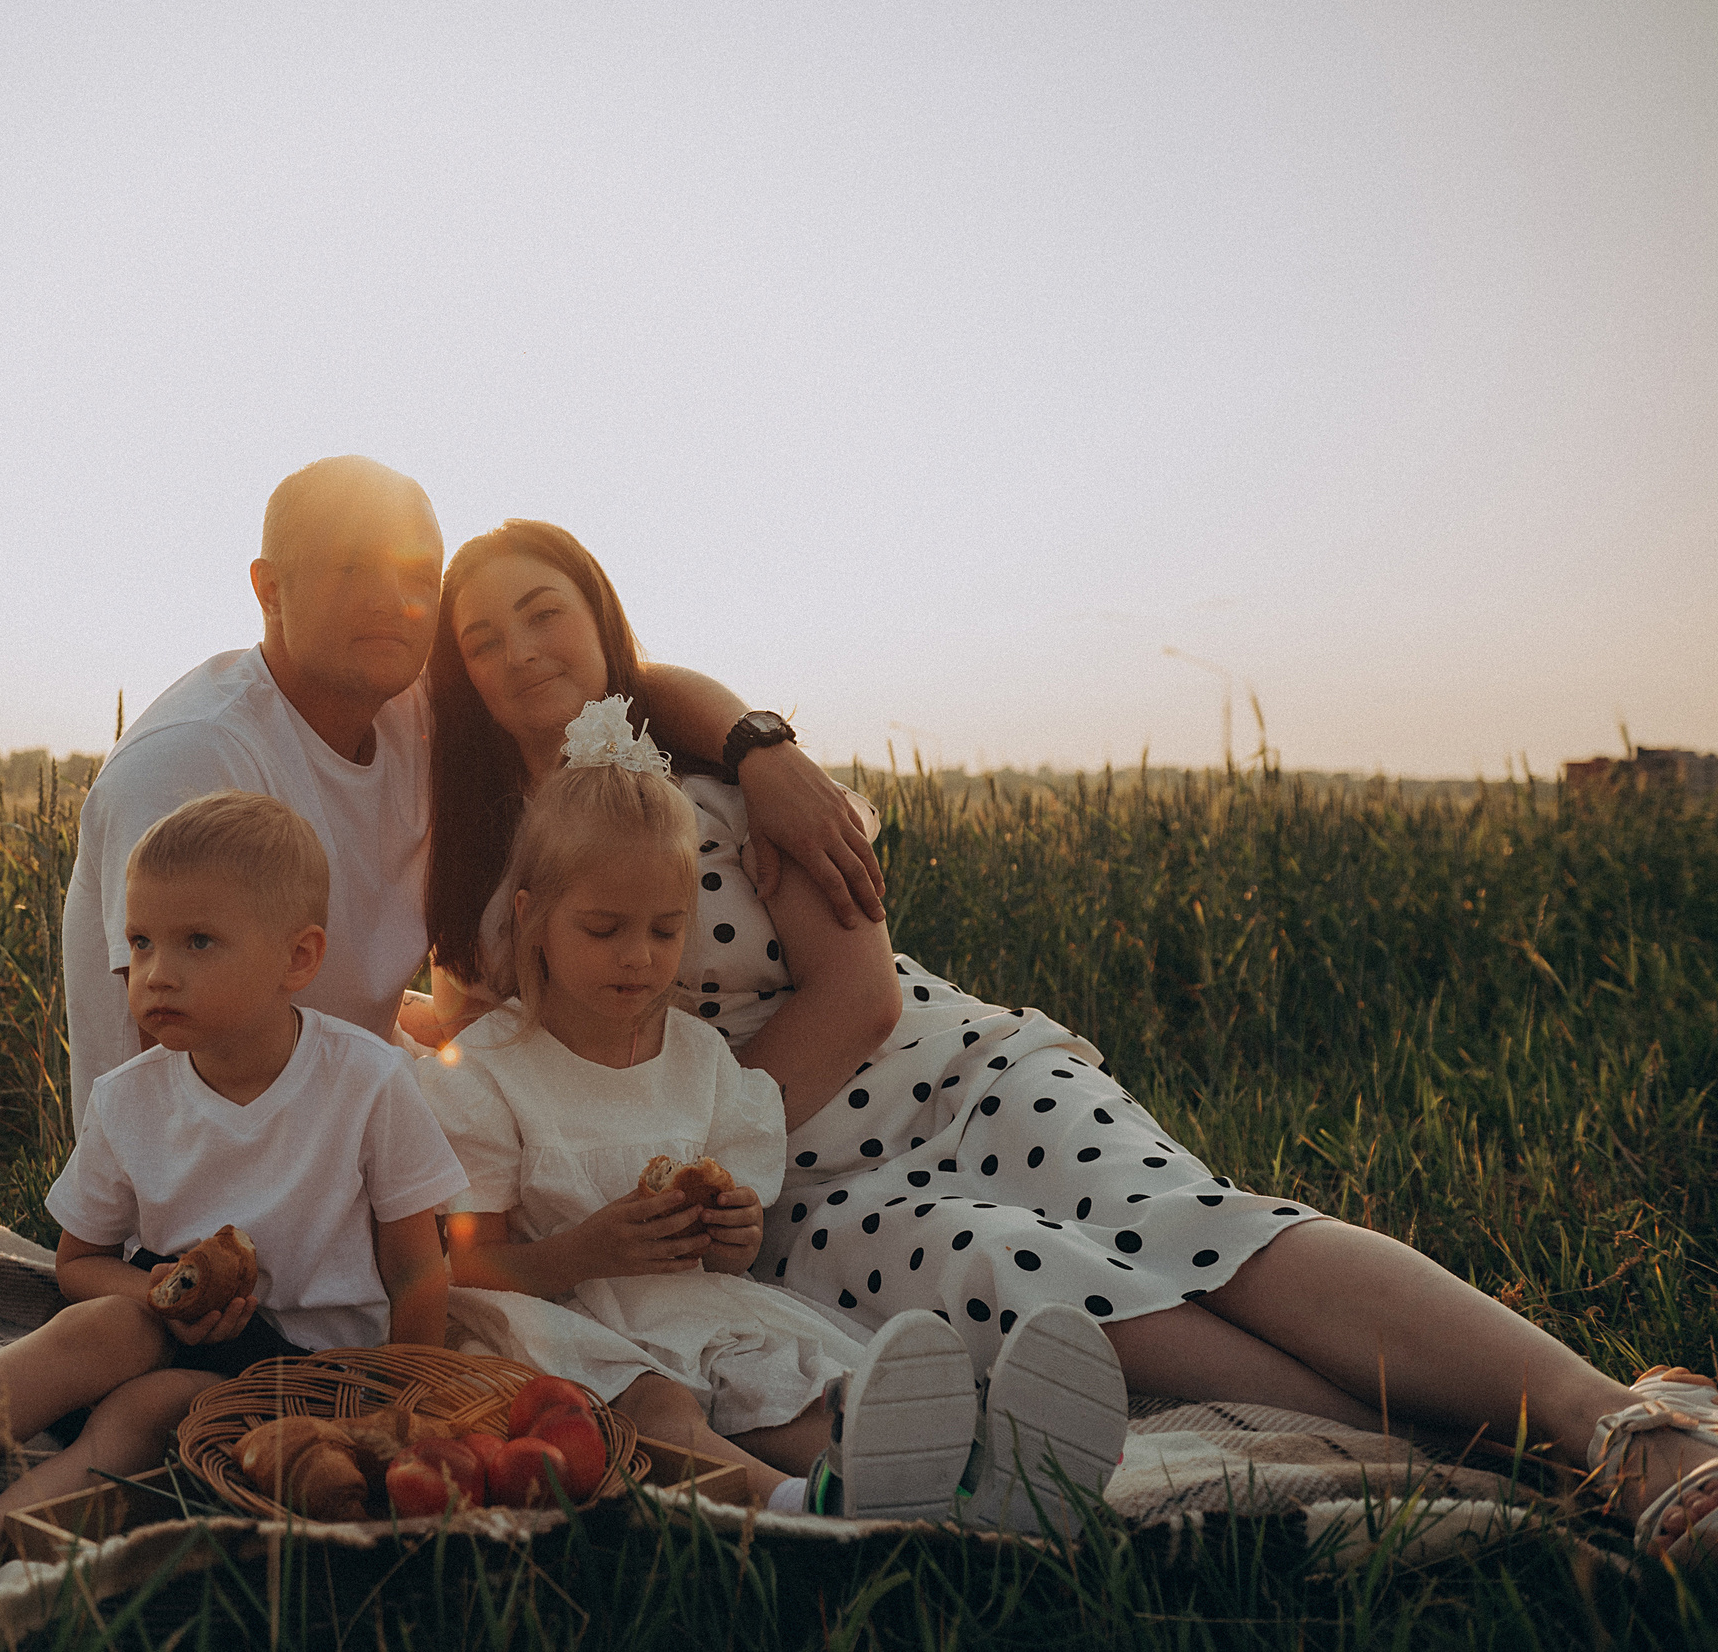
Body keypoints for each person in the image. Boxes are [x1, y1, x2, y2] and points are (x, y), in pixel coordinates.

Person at [424, 518, 1718, 1564]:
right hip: (794, 1194)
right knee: (1023, 1269)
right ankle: (1494, 1447)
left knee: (1186, 1224)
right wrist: (687, 1163)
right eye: (483, 637)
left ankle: (1614, 1419)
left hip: (940, 1073)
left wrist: (694, 1123)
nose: (522, 648)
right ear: (465, 681)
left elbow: (861, 993)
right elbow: (503, 1056)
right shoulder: (493, 869)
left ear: (601, 615)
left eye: (545, 609)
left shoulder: (732, 782)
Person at [0, 791, 466, 1598]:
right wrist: (153, 1290)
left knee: (153, 1404)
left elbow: (416, 1269)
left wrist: (391, 1410)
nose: (158, 972)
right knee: (107, 1320)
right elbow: (79, 1261)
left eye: (198, 941)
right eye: (141, 942)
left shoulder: (366, 1083)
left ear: (298, 957)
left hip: (308, 1374)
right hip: (166, 1327)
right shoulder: (130, 1097)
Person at [418, 716, 1127, 1529]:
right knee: (648, 1403)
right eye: (604, 929)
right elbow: (465, 1265)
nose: (640, 957)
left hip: (694, 1307)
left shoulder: (697, 1057)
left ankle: (981, 1474)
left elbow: (741, 1246)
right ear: (532, 915)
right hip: (558, 1320)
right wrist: (584, 1250)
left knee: (787, 1376)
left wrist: (731, 1228)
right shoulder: (494, 1069)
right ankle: (795, 1501)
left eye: (665, 929)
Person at [63, 455, 888, 1130]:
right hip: (227, 1146)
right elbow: (163, 1065)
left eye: (419, 574)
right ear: (270, 589)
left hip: (352, 1102)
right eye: (353, 567)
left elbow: (605, 683)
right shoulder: (194, 759)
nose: (395, 600)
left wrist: (758, 749)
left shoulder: (406, 705)